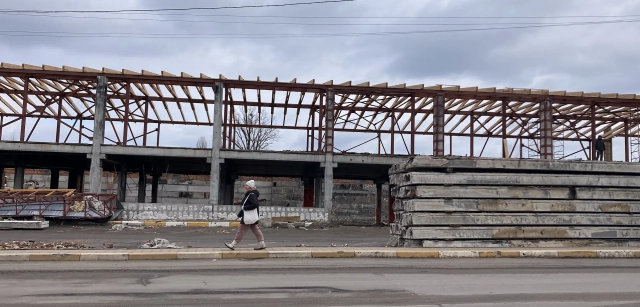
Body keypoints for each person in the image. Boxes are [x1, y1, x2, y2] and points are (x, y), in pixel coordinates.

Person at [225, 180, 266, 250]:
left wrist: (244, 208)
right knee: (256, 229)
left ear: (250, 187)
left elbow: (253, 205)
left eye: (246, 185)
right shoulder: (250, 194)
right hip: (251, 216)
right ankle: (262, 244)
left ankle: (233, 244)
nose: (245, 186)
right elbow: (244, 207)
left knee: (241, 230)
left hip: (248, 217)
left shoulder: (251, 195)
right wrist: (239, 215)